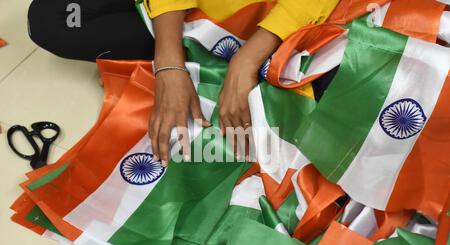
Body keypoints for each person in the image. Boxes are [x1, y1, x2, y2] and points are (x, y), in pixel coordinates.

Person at [28, 0, 340, 166]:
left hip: (278, 21)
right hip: (187, 10)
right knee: (52, 18)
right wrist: (169, 64)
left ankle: (205, 61)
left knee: (346, 97)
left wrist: (245, 62)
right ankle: (184, 55)